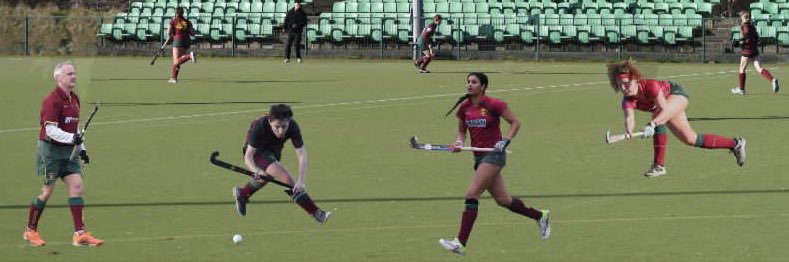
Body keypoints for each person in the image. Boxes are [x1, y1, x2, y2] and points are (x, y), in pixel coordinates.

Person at [437, 72, 550, 256]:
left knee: (472, 194)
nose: (469, 84)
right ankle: (540, 215)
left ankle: (460, 243)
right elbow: (461, 133)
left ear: (482, 86)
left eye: (474, 82)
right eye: (468, 82)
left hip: (495, 155)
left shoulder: (494, 104)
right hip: (479, 157)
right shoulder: (464, 108)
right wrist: (458, 143)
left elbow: (515, 122)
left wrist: (505, 140)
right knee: (504, 201)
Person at [607, 60, 747, 177]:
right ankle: (735, 144)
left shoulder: (650, 85)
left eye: (627, 83)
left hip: (676, 93)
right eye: (620, 85)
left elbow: (664, 109)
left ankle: (659, 165)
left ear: (636, 79)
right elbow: (629, 118)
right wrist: (628, 131)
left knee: (657, 115)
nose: (624, 87)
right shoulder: (627, 100)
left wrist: (652, 125)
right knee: (691, 139)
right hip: (664, 108)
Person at [24, 61, 103, 247]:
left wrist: (82, 150)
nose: (73, 76)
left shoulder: (74, 99)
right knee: (47, 191)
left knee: (76, 186)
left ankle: (80, 234)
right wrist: (72, 139)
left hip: (69, 151)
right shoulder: (52, 100)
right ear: (59, 78)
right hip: (50, 152)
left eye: (74, 73)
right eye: (69, 74)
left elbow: (75, 128)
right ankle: (30, 230)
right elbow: (50, 130)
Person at [233, 104, 331, 224]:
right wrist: (254, 170)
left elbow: (301, 154)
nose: (280, 131)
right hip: (257, 152)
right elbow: (248, 156)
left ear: (289, 121)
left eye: (284, 127)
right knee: (287, 179)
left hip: (274, 151)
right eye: (277, 127)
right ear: (269, 121)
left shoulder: (293, 126)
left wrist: (301, 180)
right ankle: (316, 212)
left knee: (267, 175)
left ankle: (242, 193)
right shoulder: (259, 125)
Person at [731, 10, 779, 95]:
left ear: (742, 18)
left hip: (747, 51)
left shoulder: (745, 27)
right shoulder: (752, 26)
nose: (743, 18)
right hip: (754, 50)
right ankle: (772, 80)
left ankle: (741, 89)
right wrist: (742, 41)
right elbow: (756, 38)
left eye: (743, 17)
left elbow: (746, 36)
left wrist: (738, 42)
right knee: (759, 68)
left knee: (742, 69)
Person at [167, 7, 196, 84]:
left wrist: (171, 37)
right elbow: (193, 33)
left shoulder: (173, 21)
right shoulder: (187, 22)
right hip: (187, 41)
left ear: (175, 13)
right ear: (183, 13)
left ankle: (189, 56)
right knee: (179, 60)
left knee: (176, 61)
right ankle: (174, 78)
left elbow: (168, 33)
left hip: (178, 40)